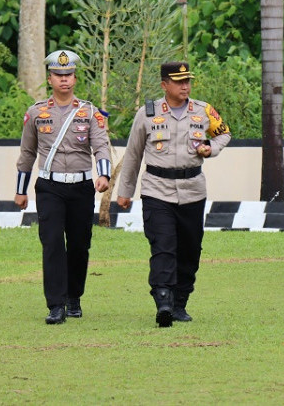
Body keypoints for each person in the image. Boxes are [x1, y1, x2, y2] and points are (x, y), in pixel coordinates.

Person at [117, 61, 231, 327]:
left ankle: (180, 303)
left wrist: (209, 148)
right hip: (157, 189)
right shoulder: (147, 113)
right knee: (163, 246)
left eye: (187, 81)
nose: (185, 86)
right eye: (179, 82)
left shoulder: (203, 111)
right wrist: (125, 192)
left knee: (190, 249)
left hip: (192, 190)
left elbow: (224, 134)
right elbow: (133, 155)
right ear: (164, 85)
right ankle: (164, 302)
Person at [15, 50, 111, 325]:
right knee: (52, 243)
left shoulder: (90, 112)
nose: (64, 80)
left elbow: (101, 146)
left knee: (80, 245)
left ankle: (74, 297)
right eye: (59, 75)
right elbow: (27, 153)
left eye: (68, 75)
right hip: (50, 187)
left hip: (81, 186)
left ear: (75, 78)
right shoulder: (36, 113)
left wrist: (103, 176)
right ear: (50, 78)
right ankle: (55, 305)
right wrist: (21, 190)